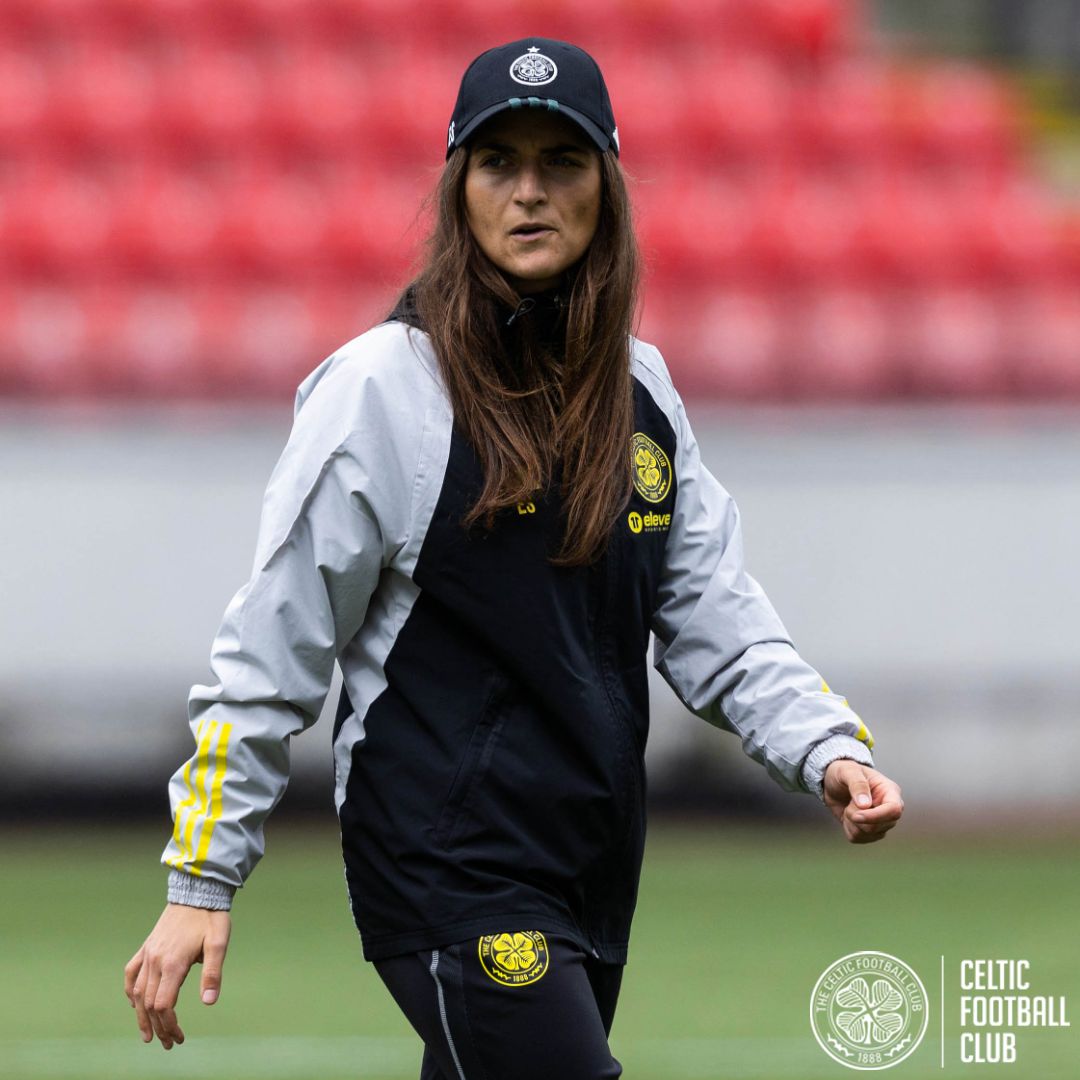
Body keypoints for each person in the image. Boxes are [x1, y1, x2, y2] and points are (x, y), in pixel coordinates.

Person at [123, 37, 904, 1079]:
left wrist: (826, 746)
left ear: (607, 190)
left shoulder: (644, 397)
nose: (529, 192)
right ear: (459, 190)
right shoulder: (382, 392)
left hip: (588, 867)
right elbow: (270, 646)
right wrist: (200, 882)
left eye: (562, 162)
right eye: (499, 164)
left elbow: (716, 612)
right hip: (447, 865)